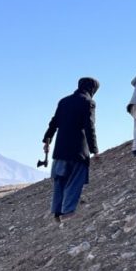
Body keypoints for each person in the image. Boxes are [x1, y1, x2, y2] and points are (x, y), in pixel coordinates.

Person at [42, 77, 100, 223]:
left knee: (60, 181)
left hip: (60, 150)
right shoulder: (88, 102)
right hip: (78, 150)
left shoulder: (64, 101)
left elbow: (54, 122)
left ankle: (57, 212)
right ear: (92, 89)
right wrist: (94, 150)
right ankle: (67, 212)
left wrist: (47, 139)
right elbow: (89, 127)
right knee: (75, 181)